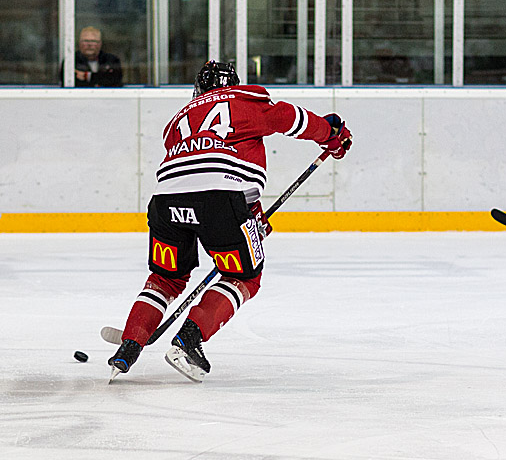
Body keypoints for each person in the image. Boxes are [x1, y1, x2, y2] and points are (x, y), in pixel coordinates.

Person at [106, 60, 353, 381]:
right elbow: (287, 118)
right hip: (221, 202)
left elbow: (204, 166)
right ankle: (188, 340)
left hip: (165, 204)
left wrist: (250, 214)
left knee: (165, 279)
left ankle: (129, 345)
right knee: (243, 278)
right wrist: (329, 131)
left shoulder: (179, 119)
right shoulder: (243, 99)